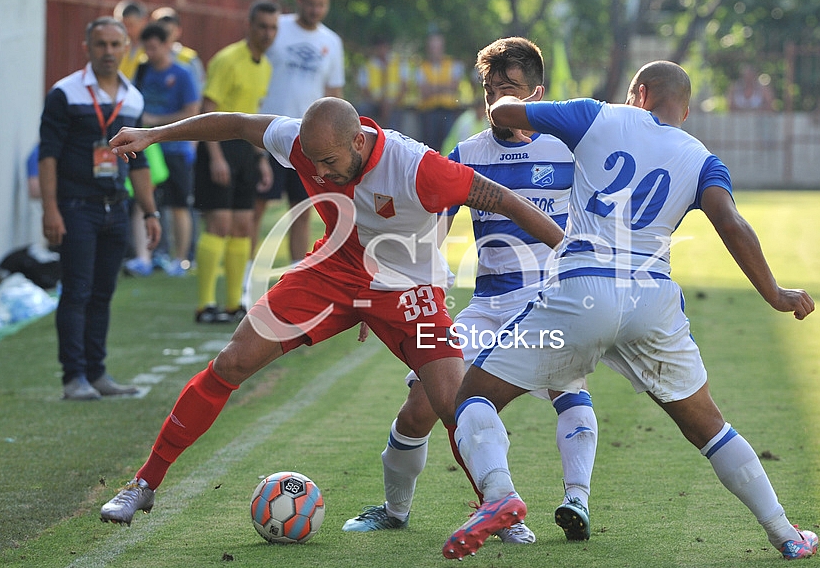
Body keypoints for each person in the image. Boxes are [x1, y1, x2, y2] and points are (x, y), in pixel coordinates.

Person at [98, 96, 565, 526]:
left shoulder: (417, 166)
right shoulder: (300, 142)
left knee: (451, 403)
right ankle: (143, 484)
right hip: (333, 272)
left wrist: (570, 254)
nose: (319, 171)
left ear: (358, 141)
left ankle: (501, 512)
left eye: (329, 161)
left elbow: (507, 201)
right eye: (312, 161)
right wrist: (154, 135)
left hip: (408, 288)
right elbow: (237, 124)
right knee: (232, 361)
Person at [442, 60, 819, 561]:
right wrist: (774, 292)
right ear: (685, 110)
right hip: (652, 301)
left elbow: (505, 112)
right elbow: (732, 223)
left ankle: (499, 494)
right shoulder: (702, 157)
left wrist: (509, 98)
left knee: (473, 396)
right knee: (709, 427)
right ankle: (785, 532)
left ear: (638, 93)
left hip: (582, 290)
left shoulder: (597, 115)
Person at [342, 37, 597, 544]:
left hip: (549, 301)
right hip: (487, 305)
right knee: (423, 403)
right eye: (489, 89)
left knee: (568, 388)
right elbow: (430, 231)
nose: (497, 99)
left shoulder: (571, 151)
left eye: (509, 89)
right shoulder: (467, 154)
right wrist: (386, 291)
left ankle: (576, 500)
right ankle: (396, 510)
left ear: (537, 93)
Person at [38, 17, 161, 400]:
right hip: (76, 207)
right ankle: (73, 377)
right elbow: (48, 155)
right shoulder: (65, 93)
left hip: (116, 207)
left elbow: (139, 160)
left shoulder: (133, 97)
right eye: (101, 44)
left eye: (115, 44)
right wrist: (50, 209)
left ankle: (97, 373)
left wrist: (150, 212)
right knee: (76, 291)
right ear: (87, 48)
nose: (108, 51)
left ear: (126, 48)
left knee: (103, 293)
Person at [192, 0, 278, 323]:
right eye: (262, 26)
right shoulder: (227, 59)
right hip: (219, 148)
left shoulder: (265, 67)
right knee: (219, 224)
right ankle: (204, 305)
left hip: (246, 152)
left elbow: (253, 115)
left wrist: (262, 159)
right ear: (250, 26)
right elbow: (207, 108)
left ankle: (233, 304)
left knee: (243, 225)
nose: (268, 33)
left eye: (273, 28)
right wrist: (215, 156)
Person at [255, 0, 345, 270]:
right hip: (267, 131)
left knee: (303, 208)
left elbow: (334, 93)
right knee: (257, 205)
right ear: (299, 1)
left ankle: (296, 270)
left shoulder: (331, 41)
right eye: (311, 4)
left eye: (321, 5)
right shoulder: (276, 28)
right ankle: (247, 272)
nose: (315, 10)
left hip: (308, 139)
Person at [132, 22, 201, 276]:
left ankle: (180, 259)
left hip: (175, 149)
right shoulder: (141, 71)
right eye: (146, 48)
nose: (150, 53)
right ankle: (143, 257)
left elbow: (192, 112)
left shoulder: (182, 74)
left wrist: (155, 122)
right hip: (148, 149)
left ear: (166, 45)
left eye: (154, 47)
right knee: (142, 201)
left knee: (179, 205)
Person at [416, 32, 465, 154]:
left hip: (448, 110)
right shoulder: (422, 67)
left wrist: (433, 87)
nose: (435, 50)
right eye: (432, 47)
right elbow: (424, 91)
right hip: (429, 111)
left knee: (448, 143)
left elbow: (454, 86)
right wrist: (445, 86)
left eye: (437, 47)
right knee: (430, 146)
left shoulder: (452, 64)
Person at [355, 35, 408, 131]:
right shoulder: (368, 66)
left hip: (395, 103)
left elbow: (404, 87)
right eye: (379, 48)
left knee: (394, 119)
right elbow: (364, 90)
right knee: (362, 109)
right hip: (375, 103)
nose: (381, 50)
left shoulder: (398, 63)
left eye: (383, 47)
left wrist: (392, 103)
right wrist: (379, 102)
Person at [113, 0, 149, 81]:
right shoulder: (114, 47)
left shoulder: (152, 48)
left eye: (130, 25)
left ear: (144, 21)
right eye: (122, 25)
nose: (126, 30)